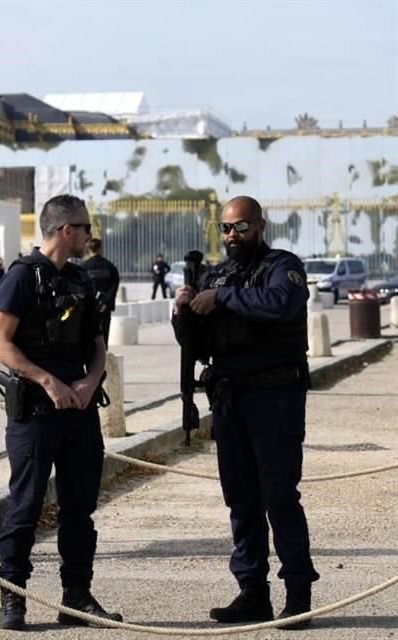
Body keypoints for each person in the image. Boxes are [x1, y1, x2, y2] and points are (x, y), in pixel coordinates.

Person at [172, 195, 318, 629]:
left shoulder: (281, 266)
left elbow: (279, 304)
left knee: (279, 497)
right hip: (230, 400)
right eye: (226, 229)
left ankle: (299, 594)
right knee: (242, 501)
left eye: (241, 227)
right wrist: (184, 309)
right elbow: (197, 345)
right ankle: (252, 592)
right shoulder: (216, 274)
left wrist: (222, 296)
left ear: (260, 225)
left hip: (275, 399)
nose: (233, 236)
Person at [0, 194, 122, 630]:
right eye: (84, 227)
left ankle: (76, 597)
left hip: (79, 411)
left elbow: (98, 346)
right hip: (35, 413)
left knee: (79, 509)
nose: (89, 235)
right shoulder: (22, 277)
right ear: (67, 230)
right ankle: (14, 597)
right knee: (25, 507)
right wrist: (47, 380)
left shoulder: (82, 281)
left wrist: (90, 381)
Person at [82, 238, 121, 347]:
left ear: (88, 250)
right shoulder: (110, 267)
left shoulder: (83, 267)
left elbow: (82, 289)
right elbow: (113, 288)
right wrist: (105, 303)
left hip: (89, 308)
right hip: (105, 308)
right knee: (104, 337)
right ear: (100, 249)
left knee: (89, 337)